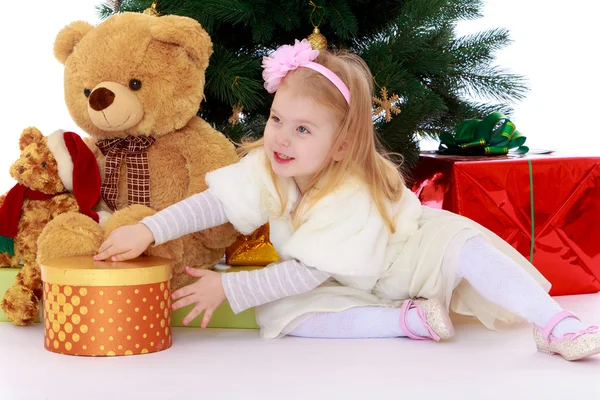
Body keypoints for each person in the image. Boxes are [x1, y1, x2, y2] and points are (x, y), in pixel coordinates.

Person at [94, 39, 600, 361]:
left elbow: (307, 270)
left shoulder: (350, 190)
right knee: (288, 317)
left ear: (340, 145)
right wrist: (149, 229)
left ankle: (553, 321)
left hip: (411, 253)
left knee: (469, 249)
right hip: (351, 277)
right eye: (275, 120)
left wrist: (231, 292)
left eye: (302, 129)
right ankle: (405, 321)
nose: (281, 139)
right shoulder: (273, 167)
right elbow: (217, 203)